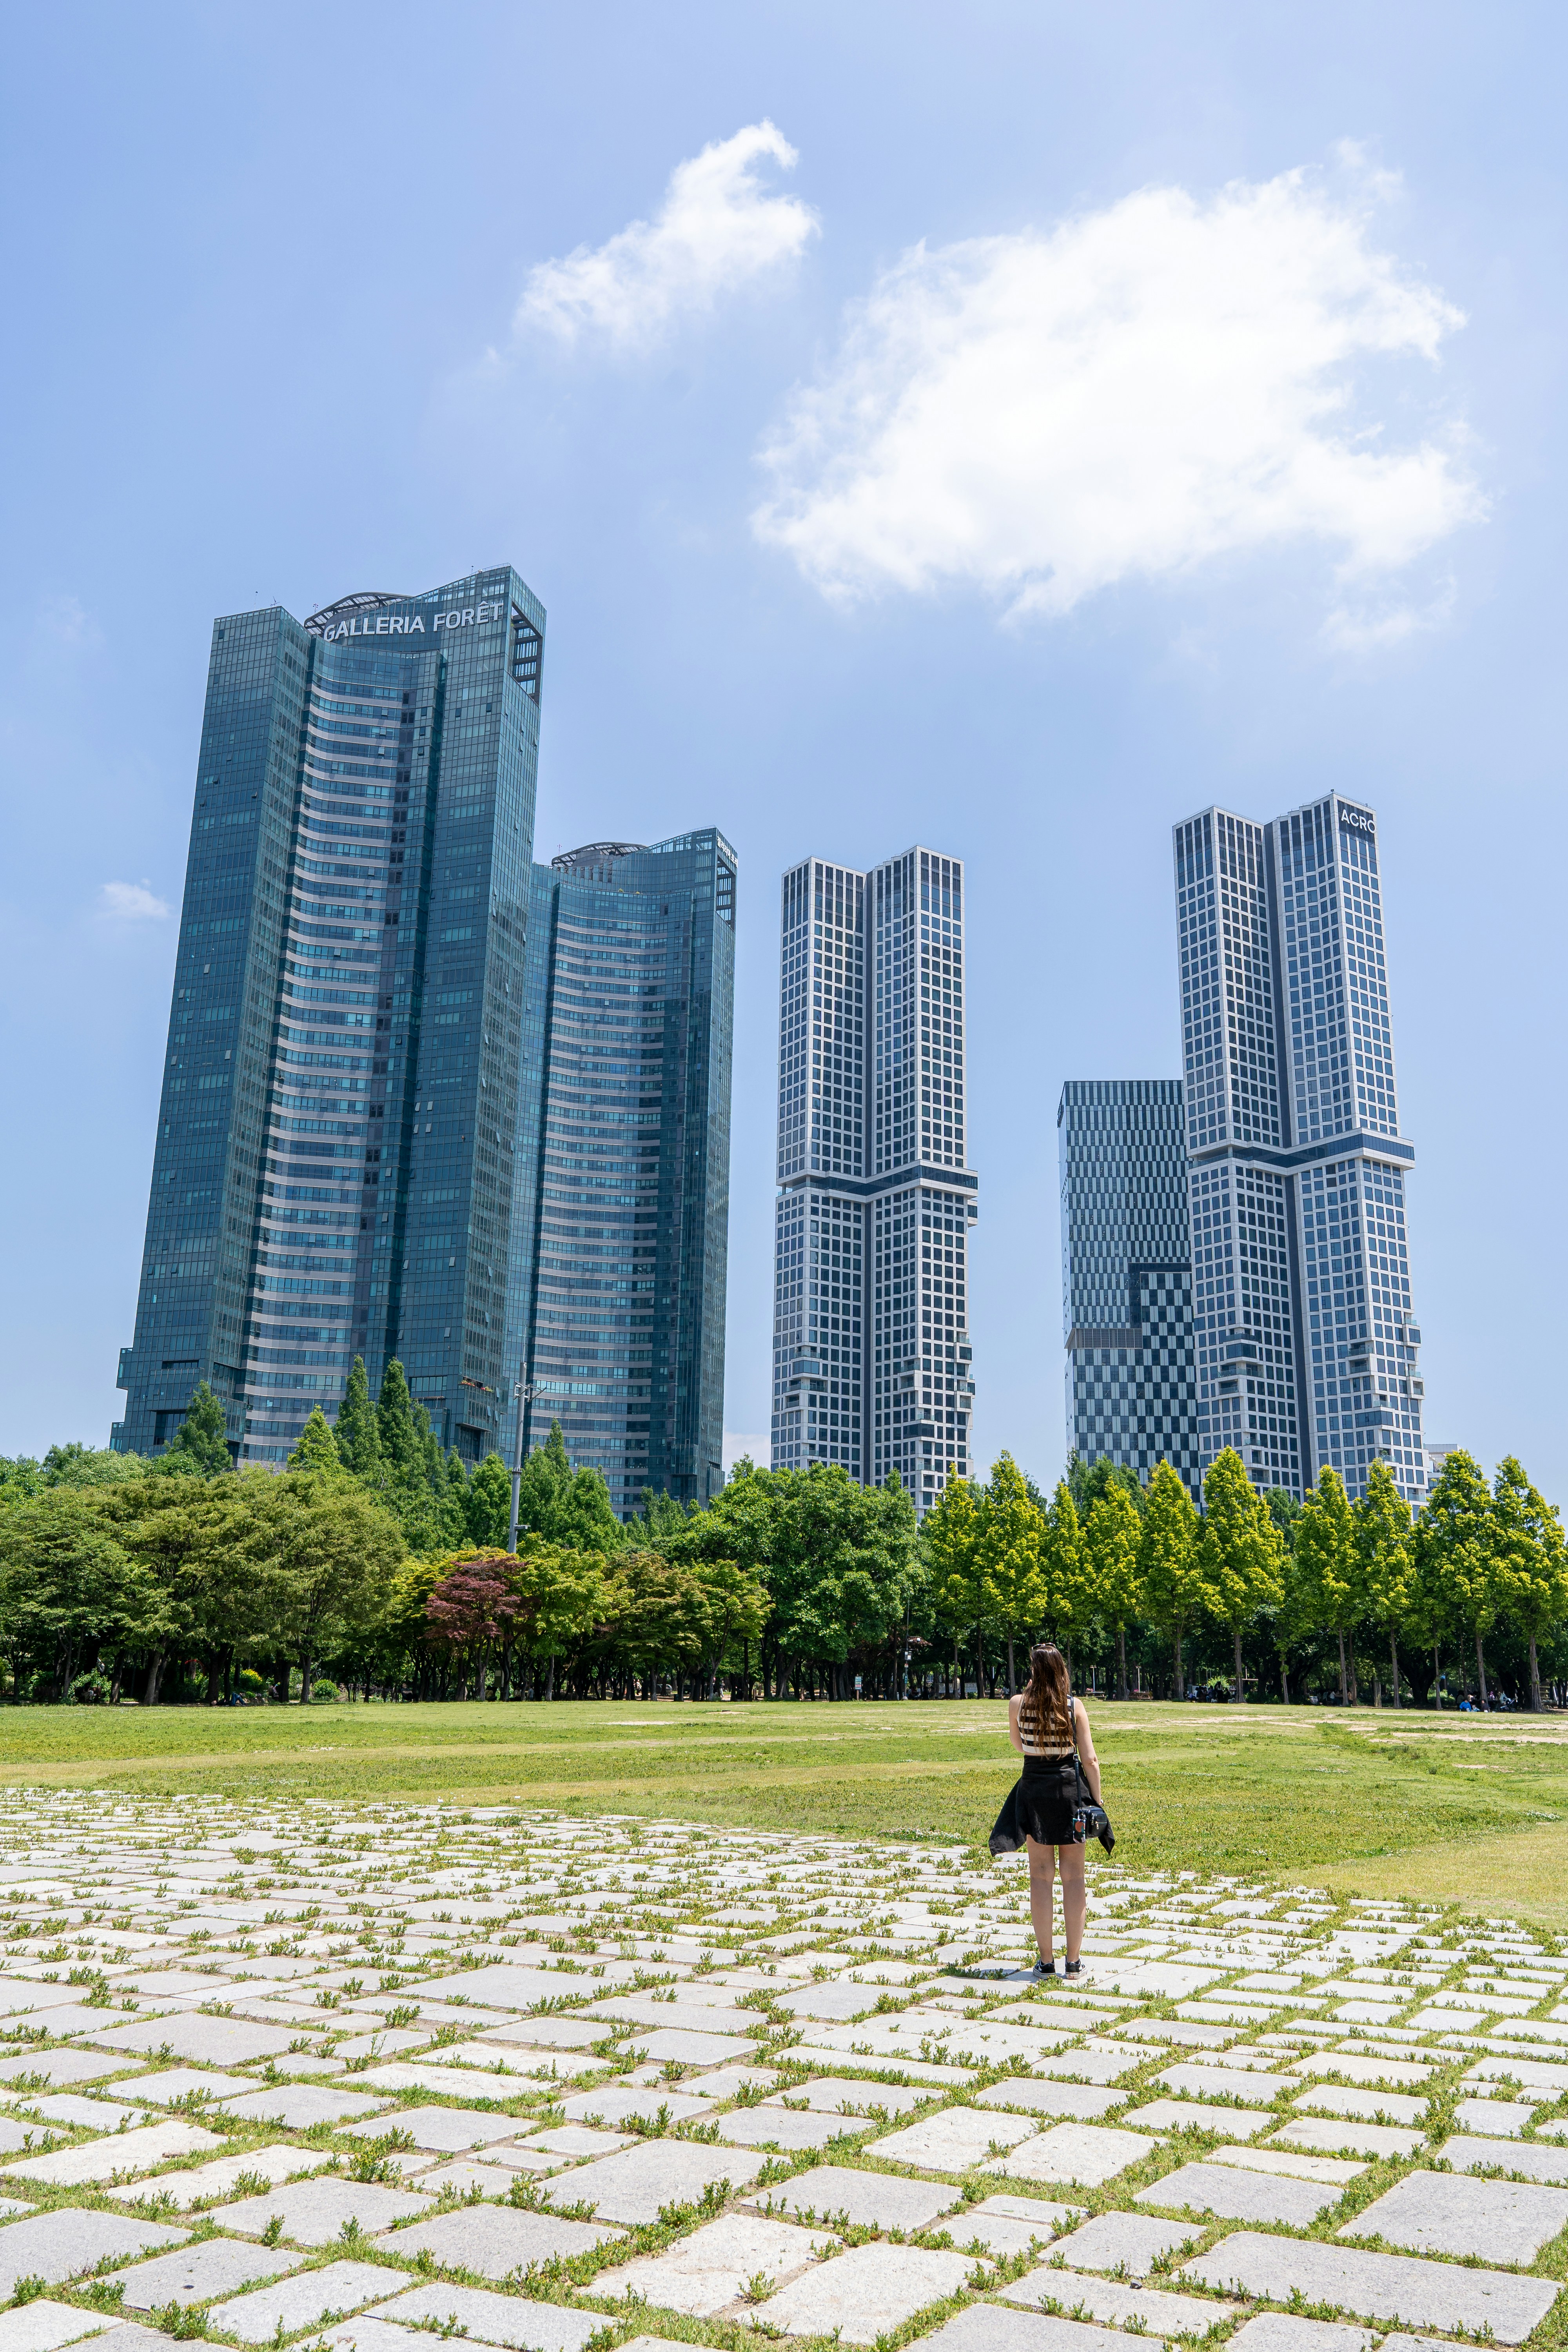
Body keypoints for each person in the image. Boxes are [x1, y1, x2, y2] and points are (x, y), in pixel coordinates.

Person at [1008, 1643, 1102, 1978]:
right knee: (1074, 1876)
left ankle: (1045, 1961)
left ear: (1033, 1670)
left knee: (1040, 1876)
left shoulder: (1018, 1704)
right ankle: (1073, 1962)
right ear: (1061, 1669)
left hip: (1034, 1790)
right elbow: (1090, 1759)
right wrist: (1098, 1799)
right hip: (1069, 1791)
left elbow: (1019, 1746)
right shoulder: (1073, 1706)